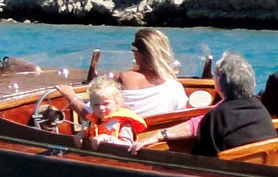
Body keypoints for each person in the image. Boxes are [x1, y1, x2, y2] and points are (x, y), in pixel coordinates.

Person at [136, 52, 278, 156]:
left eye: (214, 75)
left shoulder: (216, 116)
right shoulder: (261, 110)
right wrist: (163, 133)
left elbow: (201, 160)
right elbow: (196, 125)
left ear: (219, 86)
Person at [60, 29, 189, 117]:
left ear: (139, 52)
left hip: (124, 145)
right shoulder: (174, 86)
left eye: (134, 48)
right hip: (157, 143)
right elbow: (182, 119)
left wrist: (71, 96)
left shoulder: (121, 79)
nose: (133, 52)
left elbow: (89, 114)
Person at [75, 77, 146, 150]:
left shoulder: (124, 124)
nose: (101, 108)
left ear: (117, 103)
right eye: (96, 105)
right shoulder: (93, 120)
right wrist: (82, 134)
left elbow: (128, 146)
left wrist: (106, 138)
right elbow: (90, 133)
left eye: (106, 104)